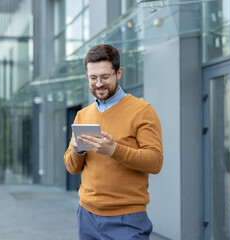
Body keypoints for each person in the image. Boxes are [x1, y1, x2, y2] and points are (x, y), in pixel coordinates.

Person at [64, 44, 163, 240]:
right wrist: (77, 151)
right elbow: (71, 167)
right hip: (87, 216)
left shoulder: (142, 110)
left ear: (118, 73)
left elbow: (155, 161)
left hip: (127, 219)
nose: (98, 84)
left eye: (104, 77)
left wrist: (114, 149)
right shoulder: (82, 115)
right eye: (92, 78)